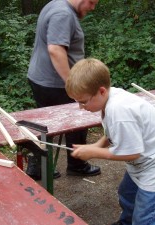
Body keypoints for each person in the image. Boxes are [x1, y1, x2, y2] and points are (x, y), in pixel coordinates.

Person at [65, 58, 155, 225]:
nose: (81, 107)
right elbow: (112, 133)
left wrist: (93, 152)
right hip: (147, 157)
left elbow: (131, 153)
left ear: (101, 91)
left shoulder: (118, 110)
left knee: (147, 216)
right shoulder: (109, 98)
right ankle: (126, 222)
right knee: (127, 193)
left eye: (83, 101)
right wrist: (97, 145)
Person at [26, 0, 101, 180]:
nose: (92, 7)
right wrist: (72, 85)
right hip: (55, 82)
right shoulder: (64, 14)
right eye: (91, 2)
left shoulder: (56, 4)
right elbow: (55, 49)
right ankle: (76, 164)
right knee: (77, 120)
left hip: (43, 78)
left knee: (46, 124)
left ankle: (40, 166)